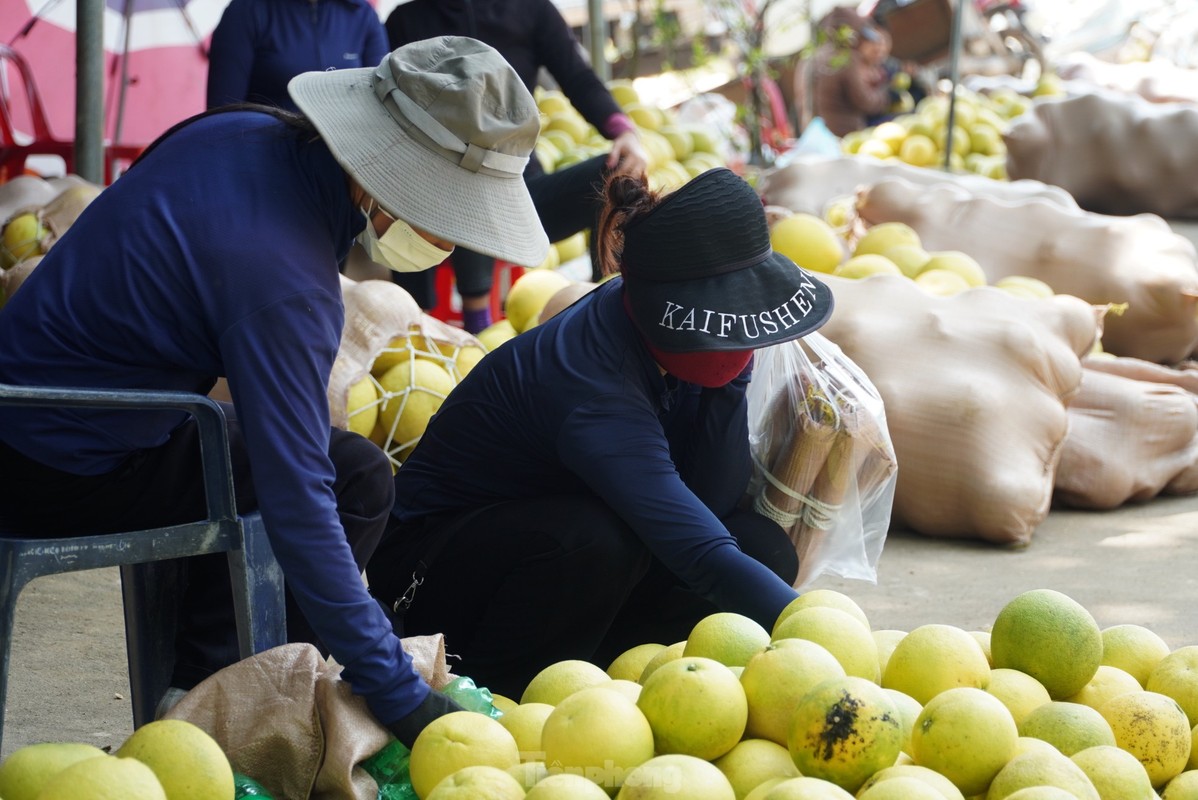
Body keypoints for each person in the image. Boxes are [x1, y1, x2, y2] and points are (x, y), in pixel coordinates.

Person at [0, 37, 549, 747]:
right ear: (388, 180)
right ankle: (217, 705)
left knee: (301, 461)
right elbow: (300, 504)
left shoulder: (239, 129)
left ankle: (193, 675)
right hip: (56, 466)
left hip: (39, 407)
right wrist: (401, 696)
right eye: (450, 214)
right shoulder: (284, 280)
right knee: (351, 482)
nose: (450, 239)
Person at [365, 167, 836, 698]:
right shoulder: (592, 386)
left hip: (551, 547)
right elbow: (701, 553)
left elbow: (713, 500)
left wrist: (730, 379)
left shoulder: (666, 337)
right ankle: (500, 691)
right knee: (596, 542)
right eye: (731, 315)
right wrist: (835, 644)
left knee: (761, 548)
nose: (741, 330)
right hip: (431, 575)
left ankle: (601, 666)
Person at [384, 0, 650, 333]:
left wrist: (623, 131)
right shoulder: (406, 21)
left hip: (520, 197)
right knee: (465, 170)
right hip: (433, 204)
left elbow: (577, 76)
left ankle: (605, 306)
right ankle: (461, 329)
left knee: (620, 172)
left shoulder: (531, 10)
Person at [206, 0, 389, 111]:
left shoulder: (362, 14)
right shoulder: (246, 10)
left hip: (345, 157)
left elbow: (381, 103)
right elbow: (222, 111)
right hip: (268, 152)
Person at [794, 15, 894, 138]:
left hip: (814, 135)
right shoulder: (846, 58)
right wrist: (886, 95)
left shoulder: (807, 60)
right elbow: (864, 101)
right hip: (844, 136)